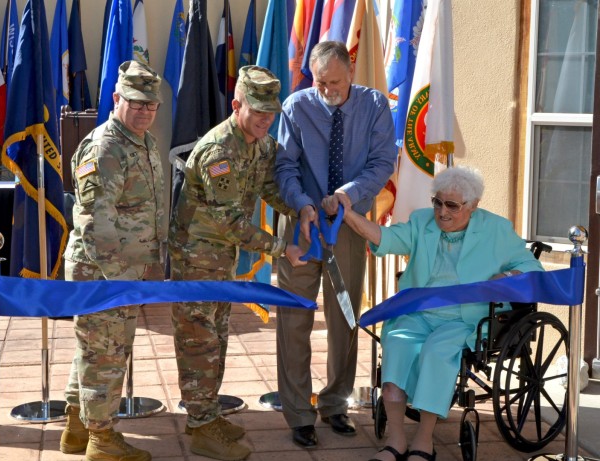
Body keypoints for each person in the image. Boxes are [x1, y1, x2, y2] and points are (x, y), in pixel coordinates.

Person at [339, 166, 544, 461]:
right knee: (396, 342)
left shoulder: (495, 229)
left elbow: (532, 268)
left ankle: (424, 441)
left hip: (466, 318)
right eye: (437, 202)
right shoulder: (422, 222)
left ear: (473, 206)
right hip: (419, 313)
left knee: (437, 352)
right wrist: (348, 214)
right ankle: (396, 441)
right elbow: (385, 238)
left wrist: (508, 275)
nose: (442, 212)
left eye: (452, 205)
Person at [169, 65, 305, 461]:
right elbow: (228, 221)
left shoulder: (259, 144)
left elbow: (268, 187)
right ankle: (198, 427)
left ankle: (207, 416)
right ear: (237, 105)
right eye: (257, 110)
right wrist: (282, 248)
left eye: (270, 112)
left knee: (217, 339)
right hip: (196, 258)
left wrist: (302, 208)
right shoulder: (219, 151)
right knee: (199, 342)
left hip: (220, 258)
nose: (265, 119)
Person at [274, 40, 397, 448]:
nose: (327, 90)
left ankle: (334, 403)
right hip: (302, 225)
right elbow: (285, 166)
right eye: (320, 81)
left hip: (348, 222)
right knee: (294, 320)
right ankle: (298, 412)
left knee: (344, 316)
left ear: (351, 72)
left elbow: (383, 162)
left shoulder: (375, 105)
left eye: (336, 82)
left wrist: (347, 194)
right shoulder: (296, 106)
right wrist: (303, 205)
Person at [60, 60, 167, 461]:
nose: (144, 111)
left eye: (151, 105)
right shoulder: (106, 146)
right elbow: (94, 223)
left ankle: (77, 427)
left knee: (94, 349)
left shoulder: (141, 141)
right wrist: (120, 278)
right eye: (136, 103)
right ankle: (101, 440)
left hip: (123, 269)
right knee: (105, 354)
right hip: (102, 270)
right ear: (116, 98)